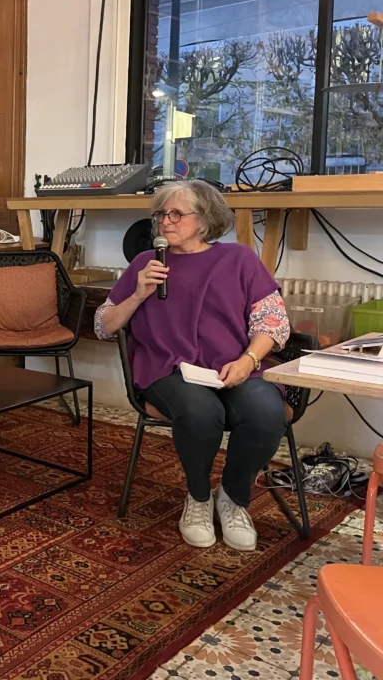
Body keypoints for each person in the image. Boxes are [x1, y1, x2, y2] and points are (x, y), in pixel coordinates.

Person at [94, 180, 291, 552]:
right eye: (161, 214)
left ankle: (233, 497)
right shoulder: (145, 263)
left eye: (176, 214)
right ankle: (198, 498)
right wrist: (137, 295)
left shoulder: (240, 259)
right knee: (200, 411)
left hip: (235, 365)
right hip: (166, 369)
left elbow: (273, 323)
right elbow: (103, 326)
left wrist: (248, 360)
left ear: (204, 220)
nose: (165, 222)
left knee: (266, 411)